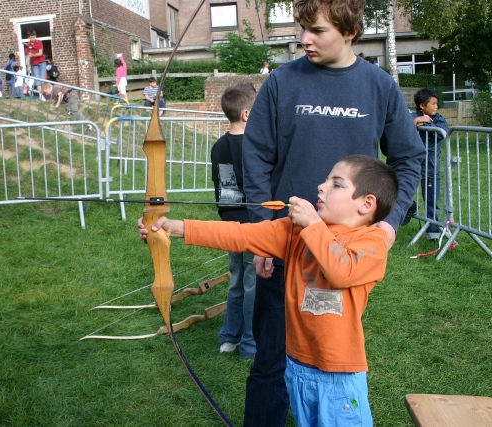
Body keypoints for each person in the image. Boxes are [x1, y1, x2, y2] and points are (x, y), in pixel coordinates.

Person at [240, 1, 425, 426]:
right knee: (270, 365)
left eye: (317, 30)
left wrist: (390, 224)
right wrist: (260, 231)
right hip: (285, 249)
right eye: (302, 28)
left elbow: (408, 159)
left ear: (351, 31)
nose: (304, 39)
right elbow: (256, 159)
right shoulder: (282, 83)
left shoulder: (378, 86)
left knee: (330, 368)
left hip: (340, 261)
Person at [139, 155, 399, 427]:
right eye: (324, 180)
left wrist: (313, 226)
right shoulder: (295, 231)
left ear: (367, 204)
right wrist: (174, 227)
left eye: (336, 184)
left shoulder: (372, 241)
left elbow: (341, 270)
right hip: (297, 365)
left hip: (338, 373)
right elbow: (241, 236)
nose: (321, 187)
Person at [211, 82, 257, 359]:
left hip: (231, 224)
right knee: (251, 284)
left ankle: (229, 337)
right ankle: (250, 344)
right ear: (247, 114)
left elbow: (223, 188)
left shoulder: (219, 146)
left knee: (237, 279)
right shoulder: (255, 146)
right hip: (253, 225)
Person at [411, 88, 449, 241]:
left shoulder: (439, 119)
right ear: (422, 106)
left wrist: (426, 126)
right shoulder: (412, 117)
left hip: (431, 168)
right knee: (403, 194)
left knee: (432, 200)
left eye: (437, 104)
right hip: (411, 164)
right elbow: (401, 127)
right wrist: (414, 122)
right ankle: (407, 211)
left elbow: (441, 132)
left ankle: (432, 232)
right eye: (433, 104)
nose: (436, 107)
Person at [25, 29, 47, 96]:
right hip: (34, 64)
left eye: (34, 37)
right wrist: (28, 66)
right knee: (37, 79)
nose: (32, 38)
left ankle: (44, 94)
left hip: (41, 62)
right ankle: (40, 95)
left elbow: (40, 53)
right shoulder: (27, 45)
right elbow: (27, 56)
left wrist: (33, 55)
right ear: (28, 37)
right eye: (31, 37)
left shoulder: (39, 42)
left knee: (42, 78)